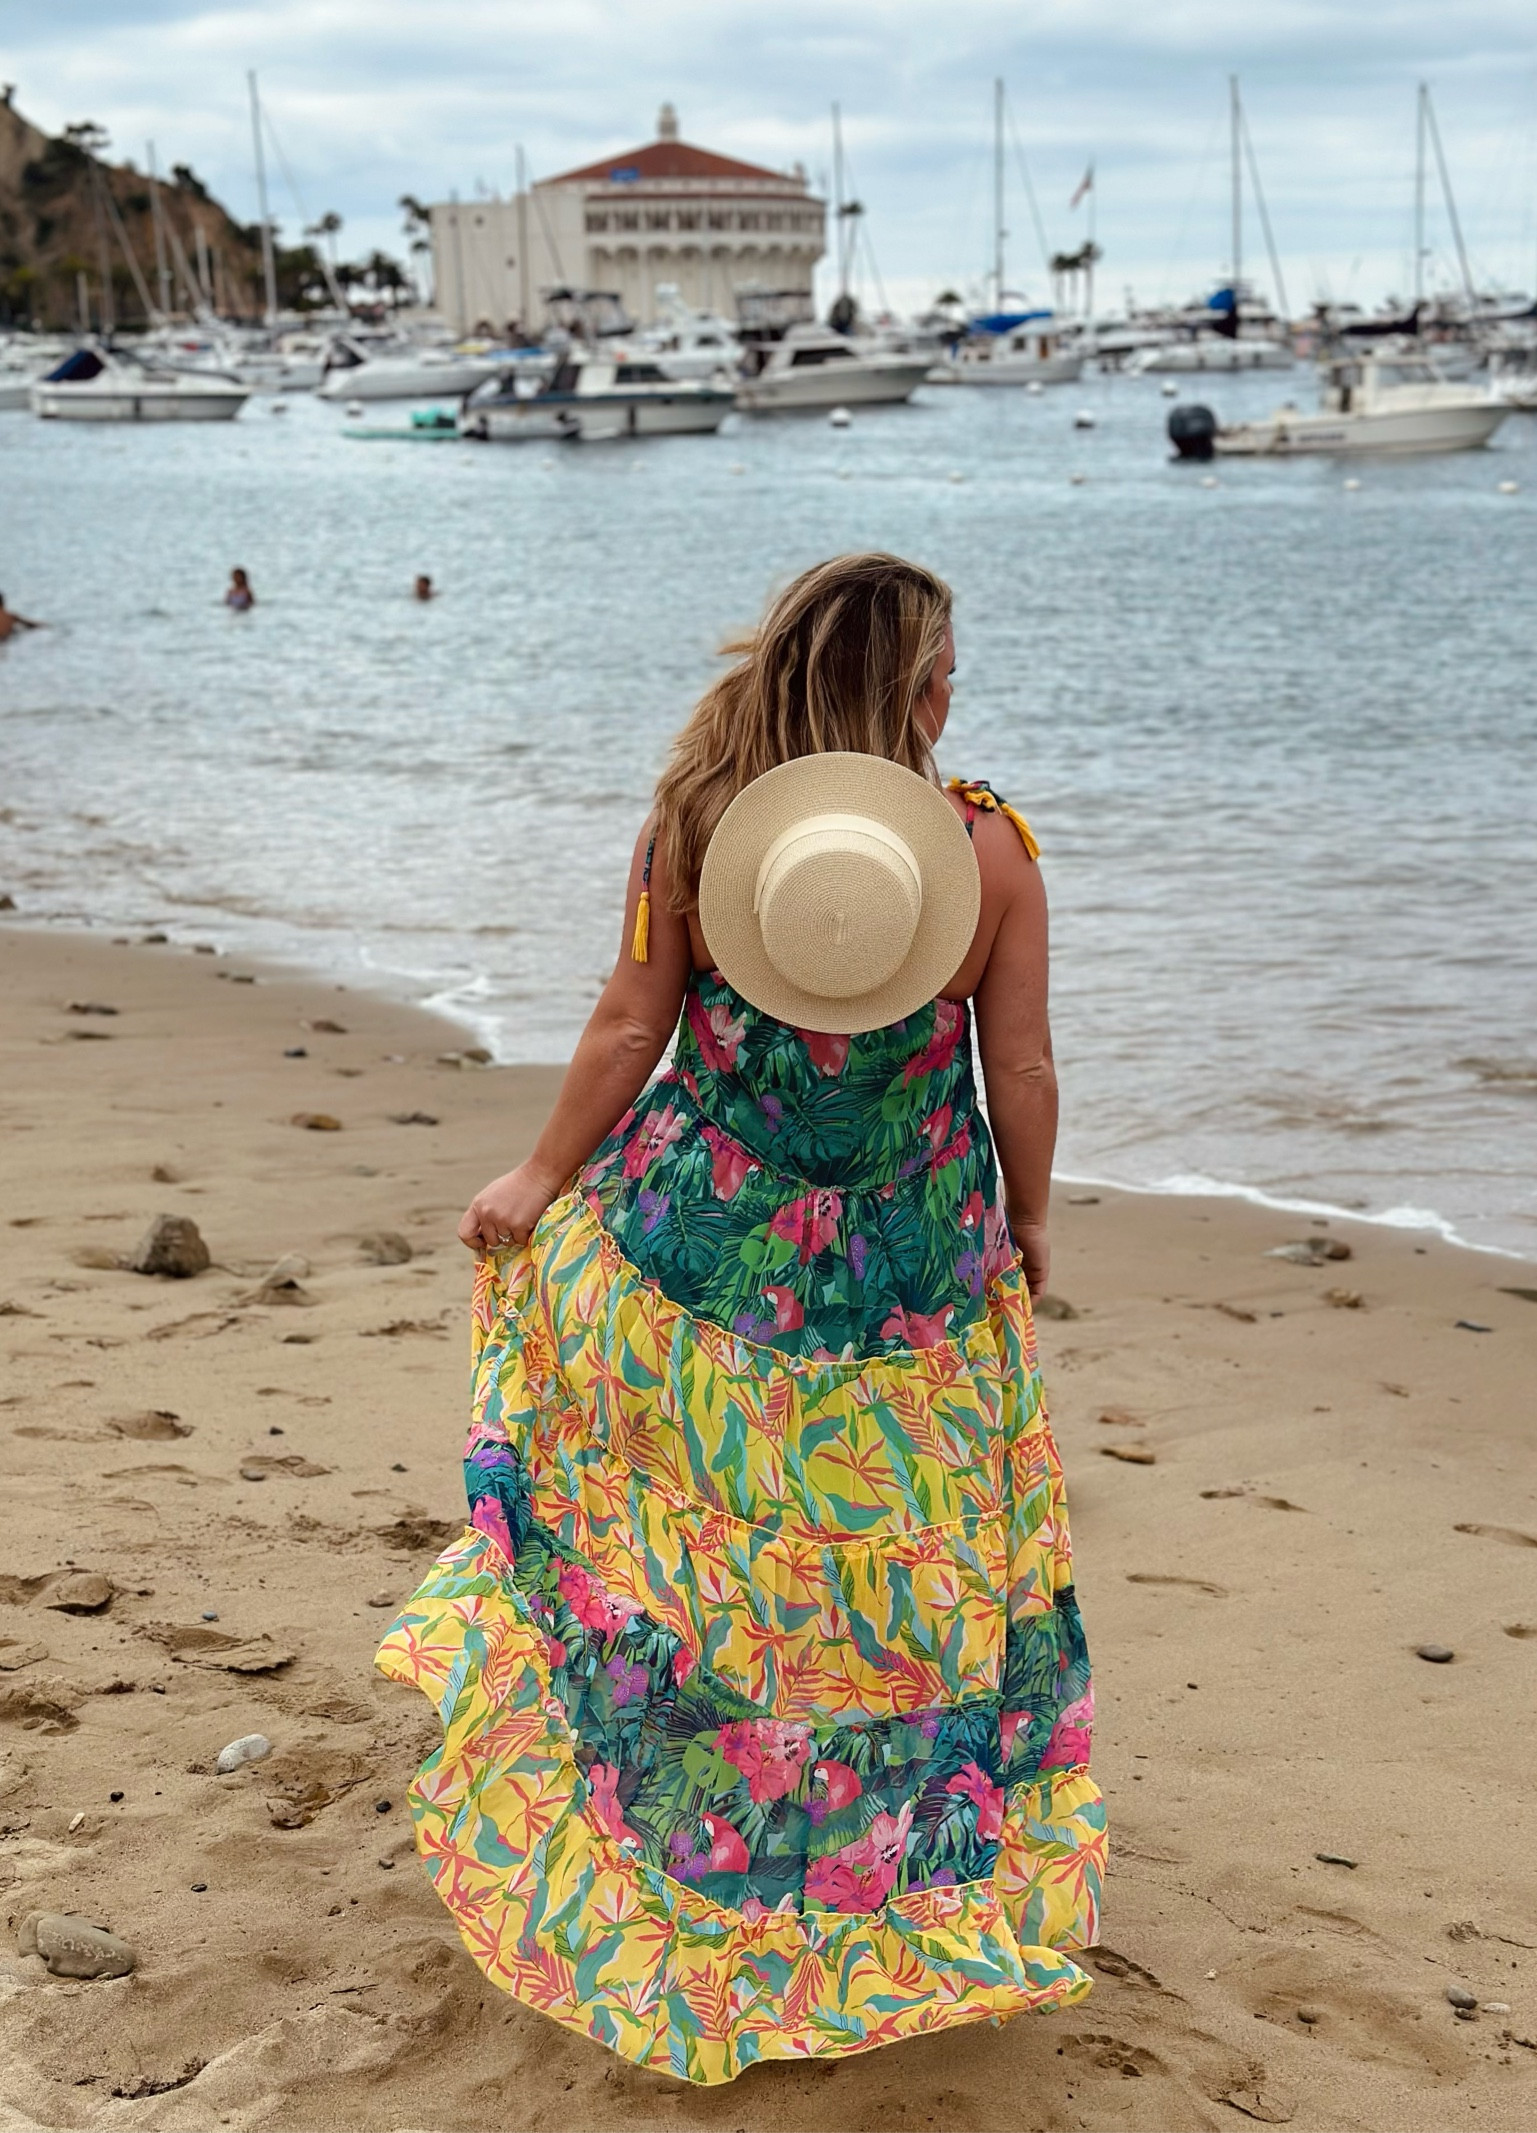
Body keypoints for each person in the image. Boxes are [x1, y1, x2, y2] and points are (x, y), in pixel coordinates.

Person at [376, 552, 1102, 2084]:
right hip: (914, 1280)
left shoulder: (696, 827)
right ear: (909, 693)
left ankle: (706, 1830)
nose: (956, 693)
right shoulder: (987, 852)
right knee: (897, 1575)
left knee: (700, 1551)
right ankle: (887, 1866)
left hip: (699, 1273)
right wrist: (1029, 1217)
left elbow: (630, 1026)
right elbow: (1017, 1070)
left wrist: (536, 1174)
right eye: (945, 671)